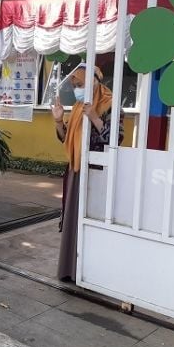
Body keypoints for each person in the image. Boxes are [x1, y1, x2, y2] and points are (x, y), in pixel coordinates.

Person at [51, 64, 124, 282]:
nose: (77, 90)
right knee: (74, 220)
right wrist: (57, 120)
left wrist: (94, 116)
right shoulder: (77, 107)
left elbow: (116, 139)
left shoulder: (110, 104)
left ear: (94, 83)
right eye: (75, 86)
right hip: (76, 170)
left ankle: (92, 273)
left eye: (80, 85)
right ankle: (70, 270)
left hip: (97, 172)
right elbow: (66, 138)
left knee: (93, 220)